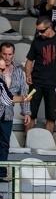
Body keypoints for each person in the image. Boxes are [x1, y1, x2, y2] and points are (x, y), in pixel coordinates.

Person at [0, 51, 31, 180]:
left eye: (3, 70)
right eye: (0, 69)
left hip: (7, 114)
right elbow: (8, 99)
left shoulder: (15, 72)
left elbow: (10, 97)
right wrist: (24, 98)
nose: (2, 72)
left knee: (4, 144)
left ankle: (1, 174)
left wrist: (26, 109)